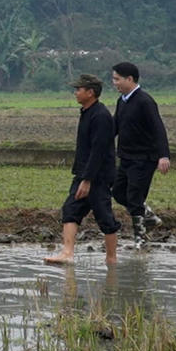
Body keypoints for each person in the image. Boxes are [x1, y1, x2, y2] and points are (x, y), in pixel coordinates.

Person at [44, 73, 119, 266]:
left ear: (90, 93)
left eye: (79, 89)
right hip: (83, 174)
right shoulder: (87, 112)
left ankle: (111, 259)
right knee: (70, 210)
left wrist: (87, 180)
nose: (75, 93)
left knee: (104, 216)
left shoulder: (101, 116)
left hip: (98, 177)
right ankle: (67, 253)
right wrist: (82, 176)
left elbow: (99, 151)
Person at [110, 61, 170, 249]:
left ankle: (141, 239)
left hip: (144, 158)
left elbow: (158, 129)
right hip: (126, 157)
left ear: (130, 79)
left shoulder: (145, 101)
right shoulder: (122, 101)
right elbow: (115, 127)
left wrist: (164, 155)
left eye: (117, 79)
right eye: (113, 79)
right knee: (119, 192)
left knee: (135, 196)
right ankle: (149, 216)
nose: (115, 83)